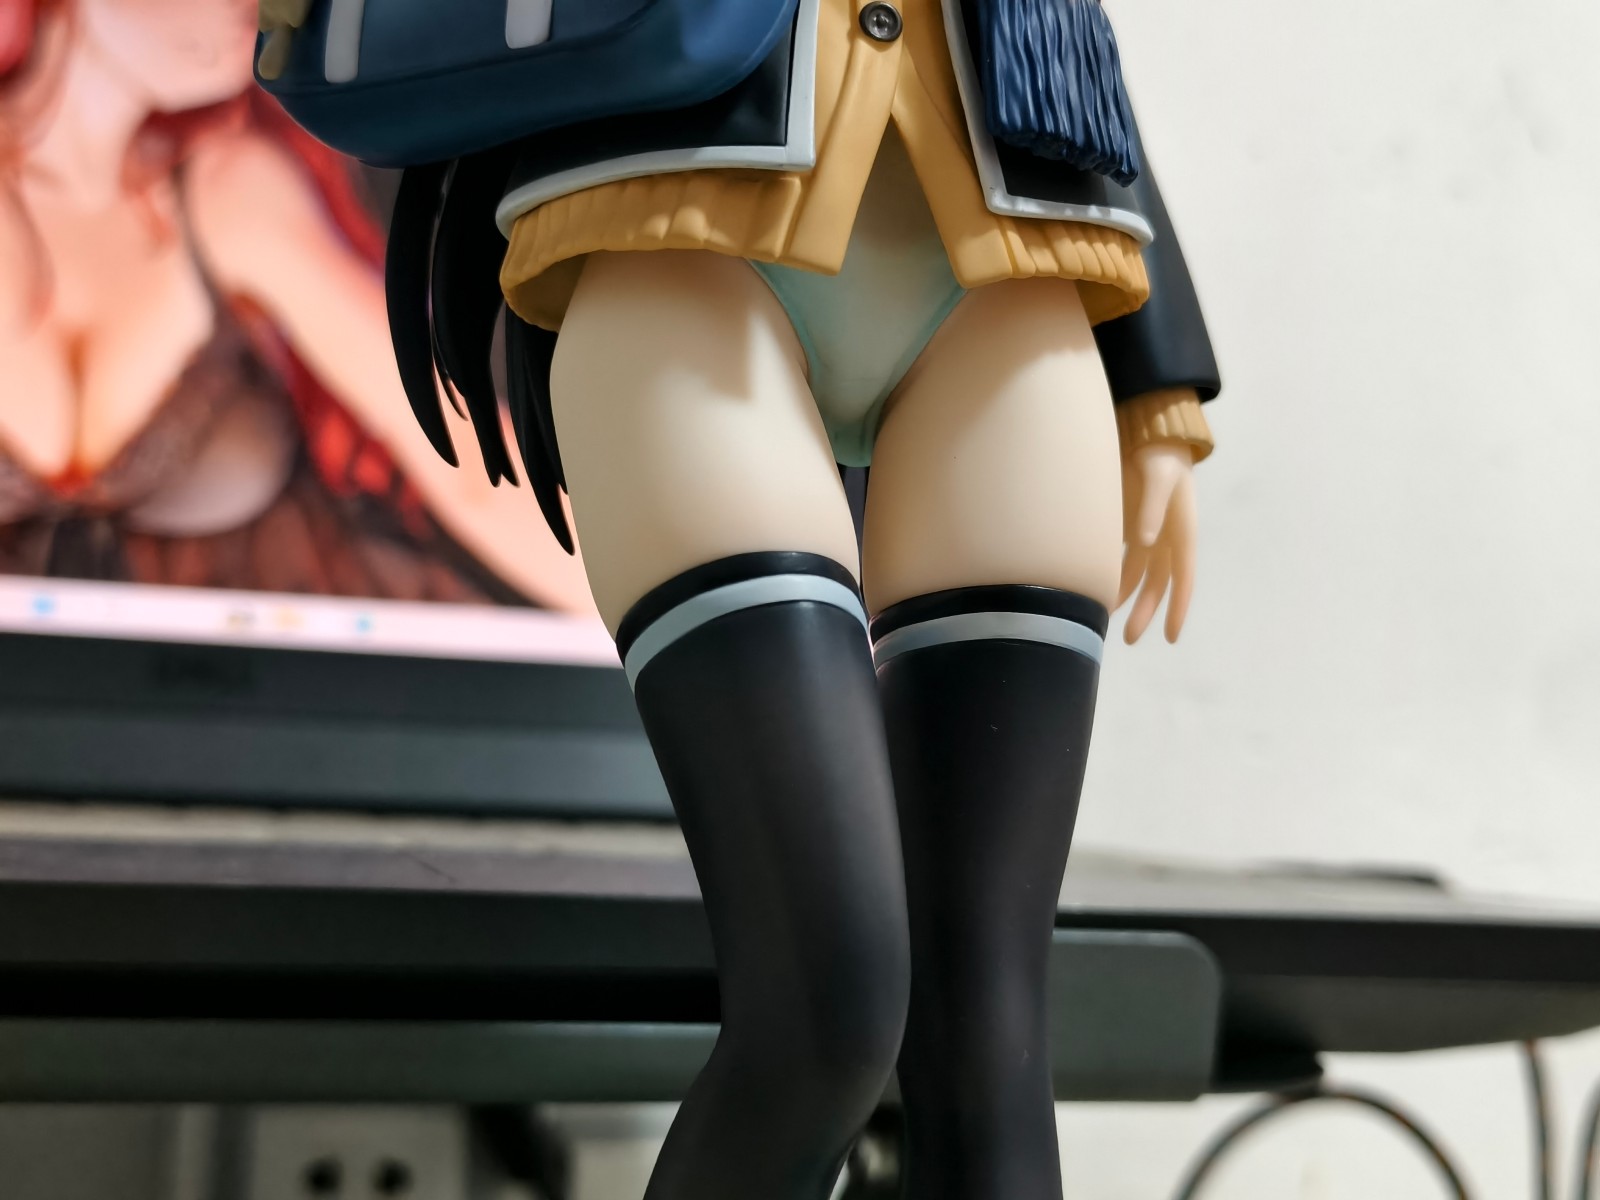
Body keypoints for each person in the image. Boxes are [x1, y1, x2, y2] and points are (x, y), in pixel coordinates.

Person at [262, 1, 1222, 1196]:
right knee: (827, 1003)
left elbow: (1074, 44)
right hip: (680, 228)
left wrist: (1159, 381)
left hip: (1013, 261)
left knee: (990, 1029)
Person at [0, 0, 594, 610]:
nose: (252, 12)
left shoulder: (230, 194)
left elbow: (469, 469)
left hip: (239, 660)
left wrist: (642, 610)